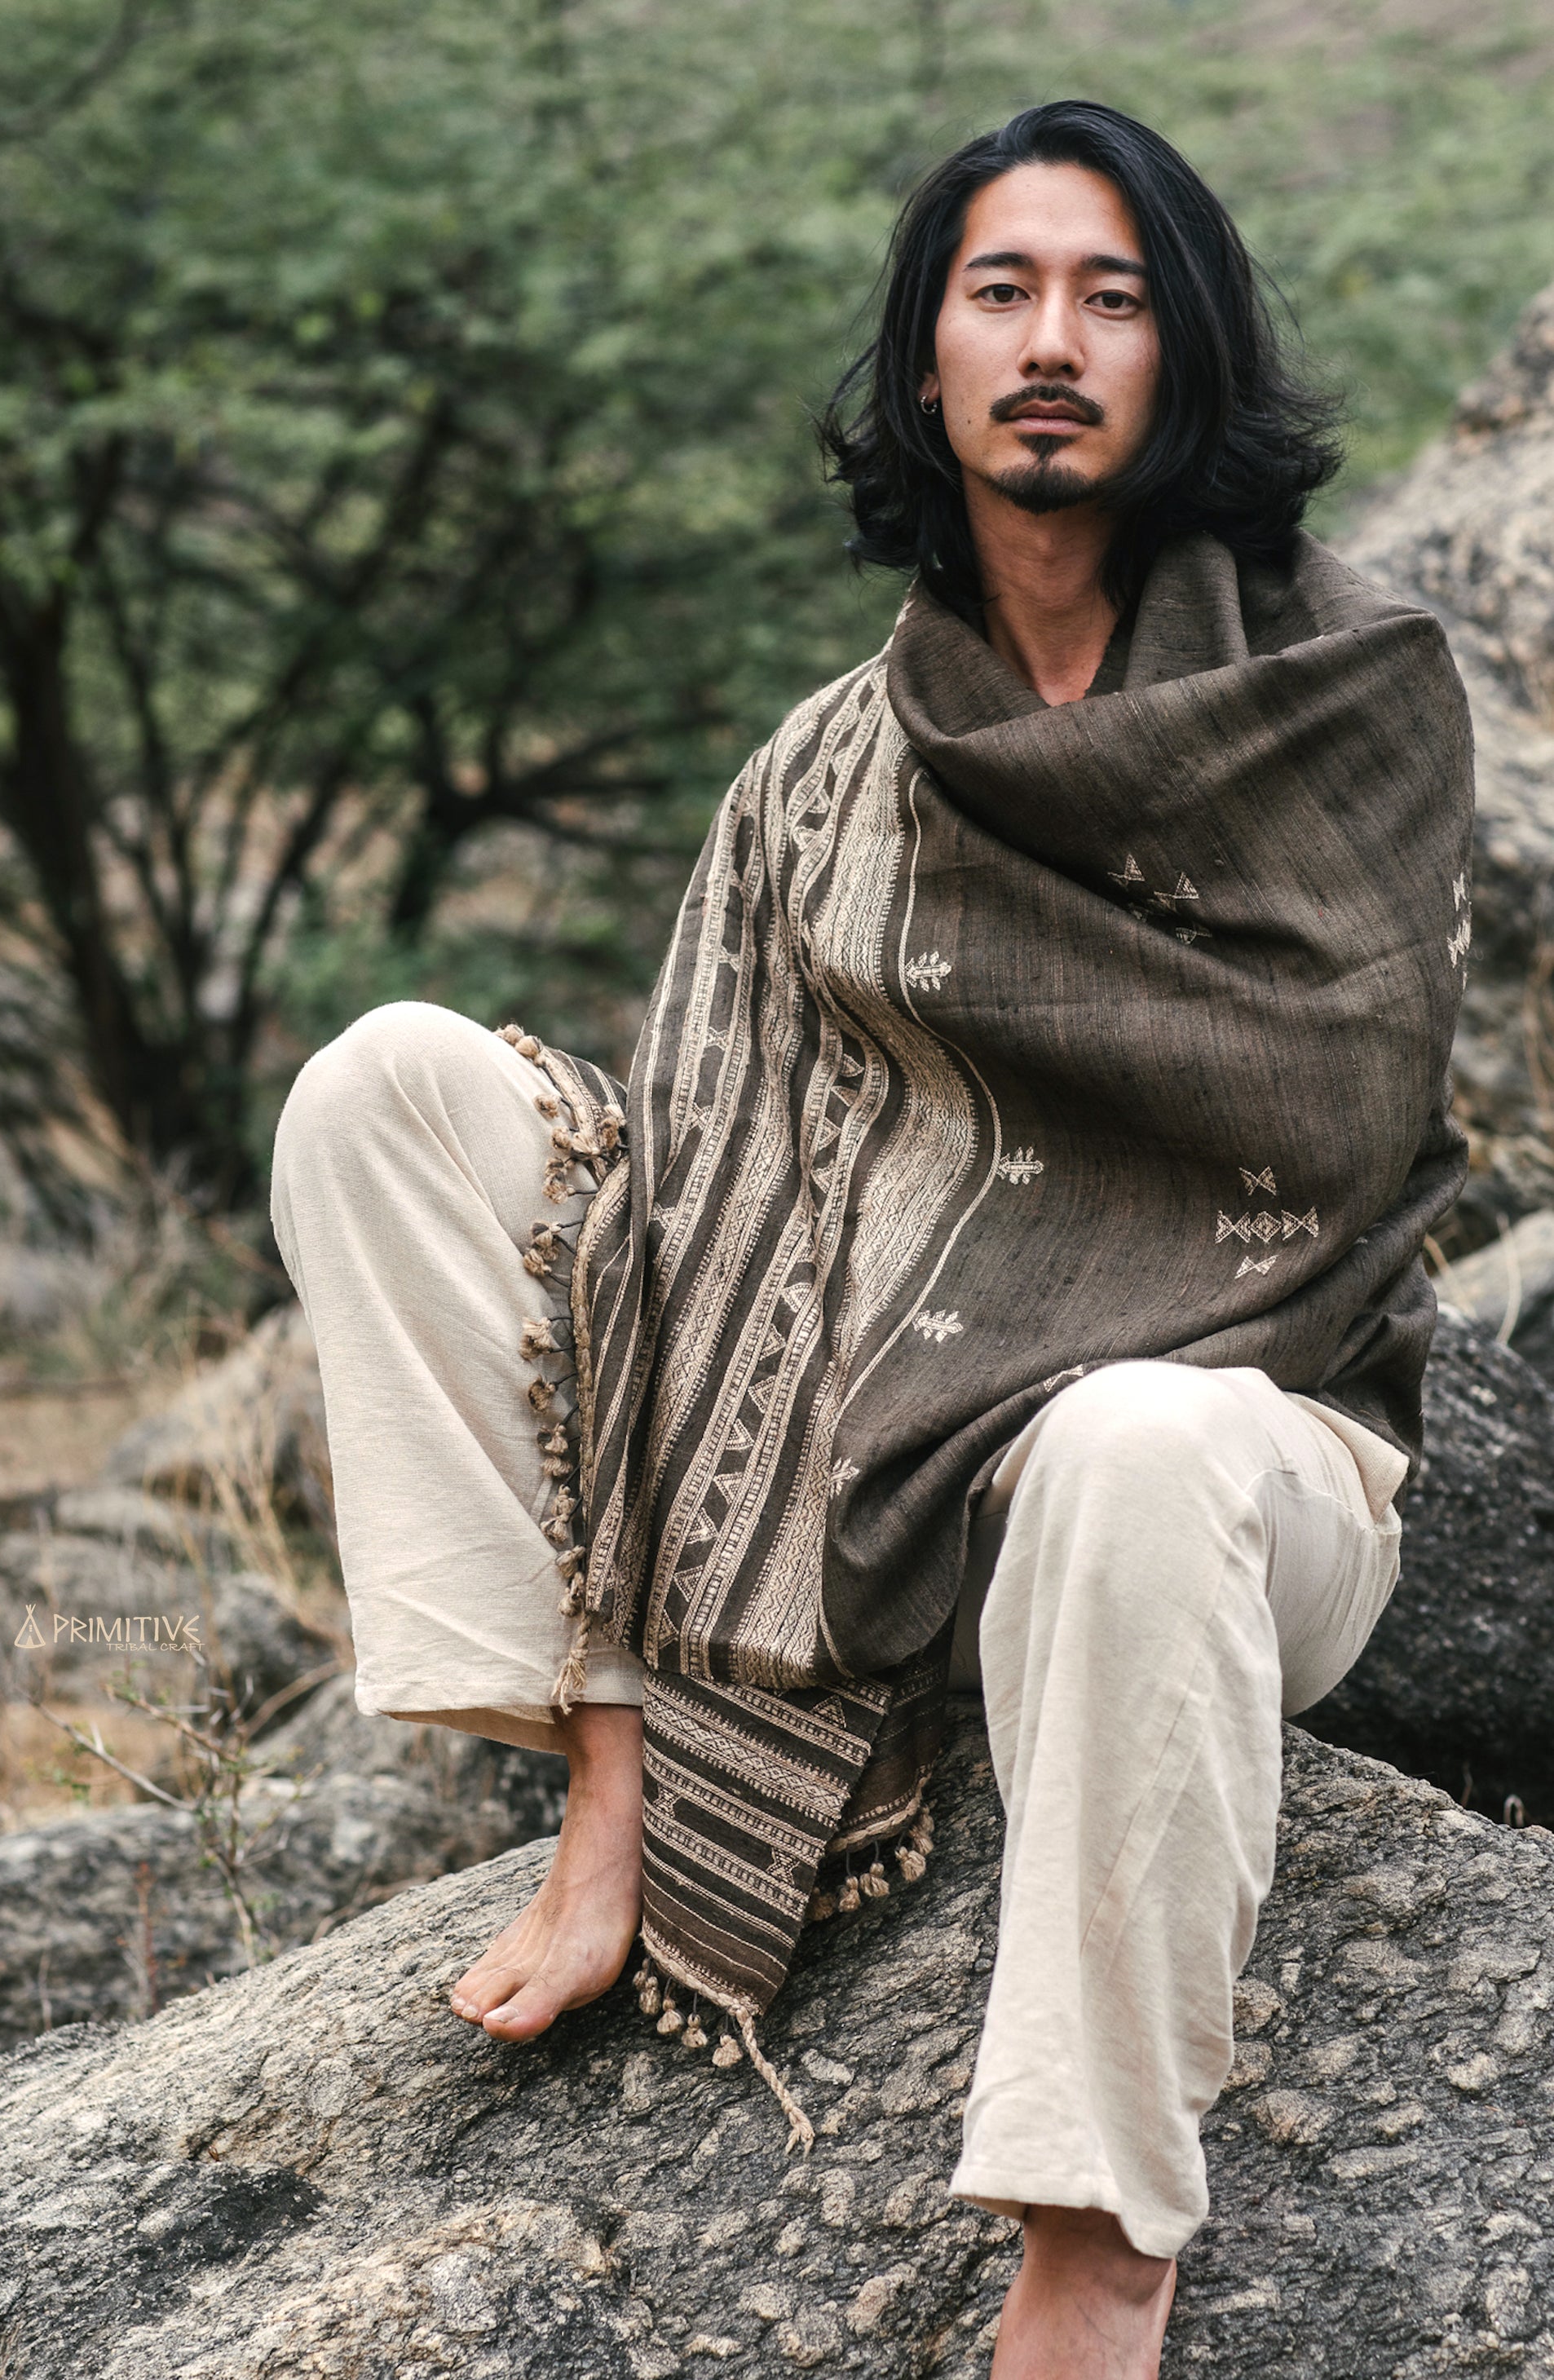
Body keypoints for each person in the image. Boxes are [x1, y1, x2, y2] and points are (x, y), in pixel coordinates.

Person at [272, 100, 1472, 2380]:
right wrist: (615, 1776)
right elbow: (701, 1219)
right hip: (854, 1452)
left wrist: (950, 1312)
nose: (1053, 342)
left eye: (1114, 298)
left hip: (1226, 1462)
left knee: (1129, 1439)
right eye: (999, 292)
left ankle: (1094, 2237)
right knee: (388, 1088)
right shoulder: (827, 770)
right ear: (929, 359)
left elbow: (1317, 1137)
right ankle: (621, 1739)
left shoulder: (1340, 694)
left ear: (1188, 356)